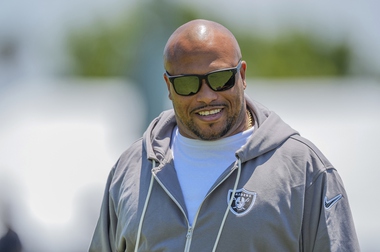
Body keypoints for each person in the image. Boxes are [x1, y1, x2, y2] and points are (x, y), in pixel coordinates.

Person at [89, 19, 360, 252]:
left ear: (242, 75)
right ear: (168, 86)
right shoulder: (130, 169)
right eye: (187, 83)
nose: (207, 96)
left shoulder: (304, 170)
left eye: (220, 79)